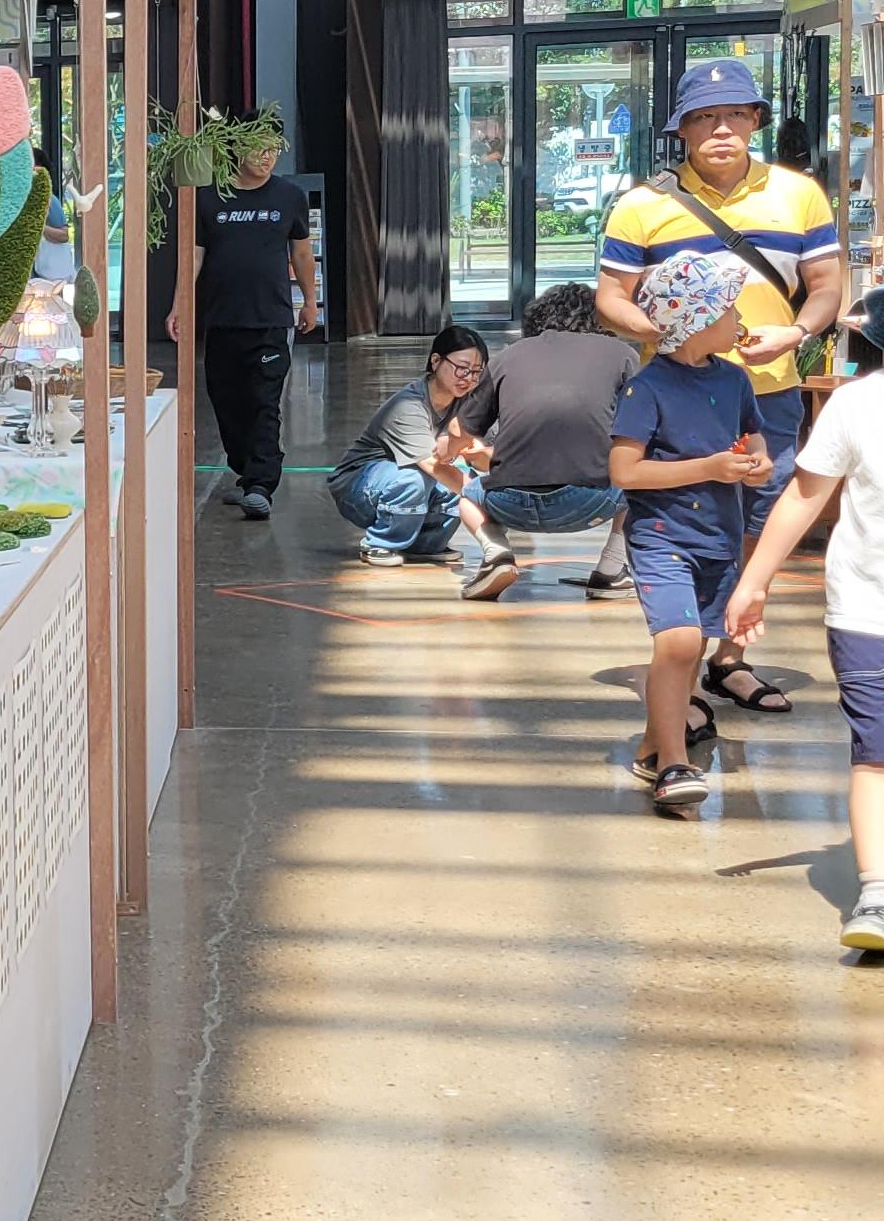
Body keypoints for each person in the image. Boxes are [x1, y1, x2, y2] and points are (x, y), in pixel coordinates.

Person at [599, 55, 839, 713]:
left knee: (760, 518)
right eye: (704, 117)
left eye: (735, 113)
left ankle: (729, 656)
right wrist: (663, 330)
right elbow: (610, 299)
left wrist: (797, 332)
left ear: (757, 120)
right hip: (676, 393)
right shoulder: (642, 205)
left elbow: (825, 286)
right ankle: (682, 667)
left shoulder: (799, 195)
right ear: (682, 130)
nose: (722, 129)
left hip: (767, 390)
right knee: (680, 523)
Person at [727, 344, 884, 947]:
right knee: (875, 752)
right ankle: (876, 893)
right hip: (867, 611)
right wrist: (754, 581)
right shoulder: (856, 404)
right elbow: (803, 494)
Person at [610, 252, 772, 818]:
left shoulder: (733, 379)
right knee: (678, 643)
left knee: (692, 646)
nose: (739, 320)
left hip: (718, 537)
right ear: (696, 320)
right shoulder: (647, 388)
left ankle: (651, 749)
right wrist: (709, 468)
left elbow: (752, 435)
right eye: (729, 310)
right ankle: (675, 764)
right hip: (662, 537)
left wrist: (757, 462)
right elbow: (624, 471)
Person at [439, 280, 640, 600]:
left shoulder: (507, 357)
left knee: (469, 496)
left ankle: (496, 553)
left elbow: (459, 432)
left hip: (509, 502)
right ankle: (611, 570)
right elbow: (644, 427)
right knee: (641, 474)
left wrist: (445, 452)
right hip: (592, 501)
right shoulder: (622, 355)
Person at [170, 126, 317, 519]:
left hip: (271, 321)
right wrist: (179, 305)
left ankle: (261, 485)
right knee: (227, 402)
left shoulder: (289, 196)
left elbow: (302, 254)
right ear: (237, 149)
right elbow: (193, 257)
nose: (266, 157)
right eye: (258, 149)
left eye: (273, 149)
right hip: (222, 320)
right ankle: (246, 471)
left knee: (263, 403)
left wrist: (309, 302)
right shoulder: (209, 197)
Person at [325, 326, 488, 571]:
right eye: (462, 368)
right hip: (359, 488)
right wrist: (488, 502)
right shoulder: (408, 405)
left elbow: (484, 460)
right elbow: (434, 467)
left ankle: (425, 545)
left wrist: (480, 457)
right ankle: (379, 542)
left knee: (466, 476)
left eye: (477, 371)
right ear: (436, 361)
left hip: (411, 480)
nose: (468, 378)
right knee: (421, 478)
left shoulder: (470, 404)